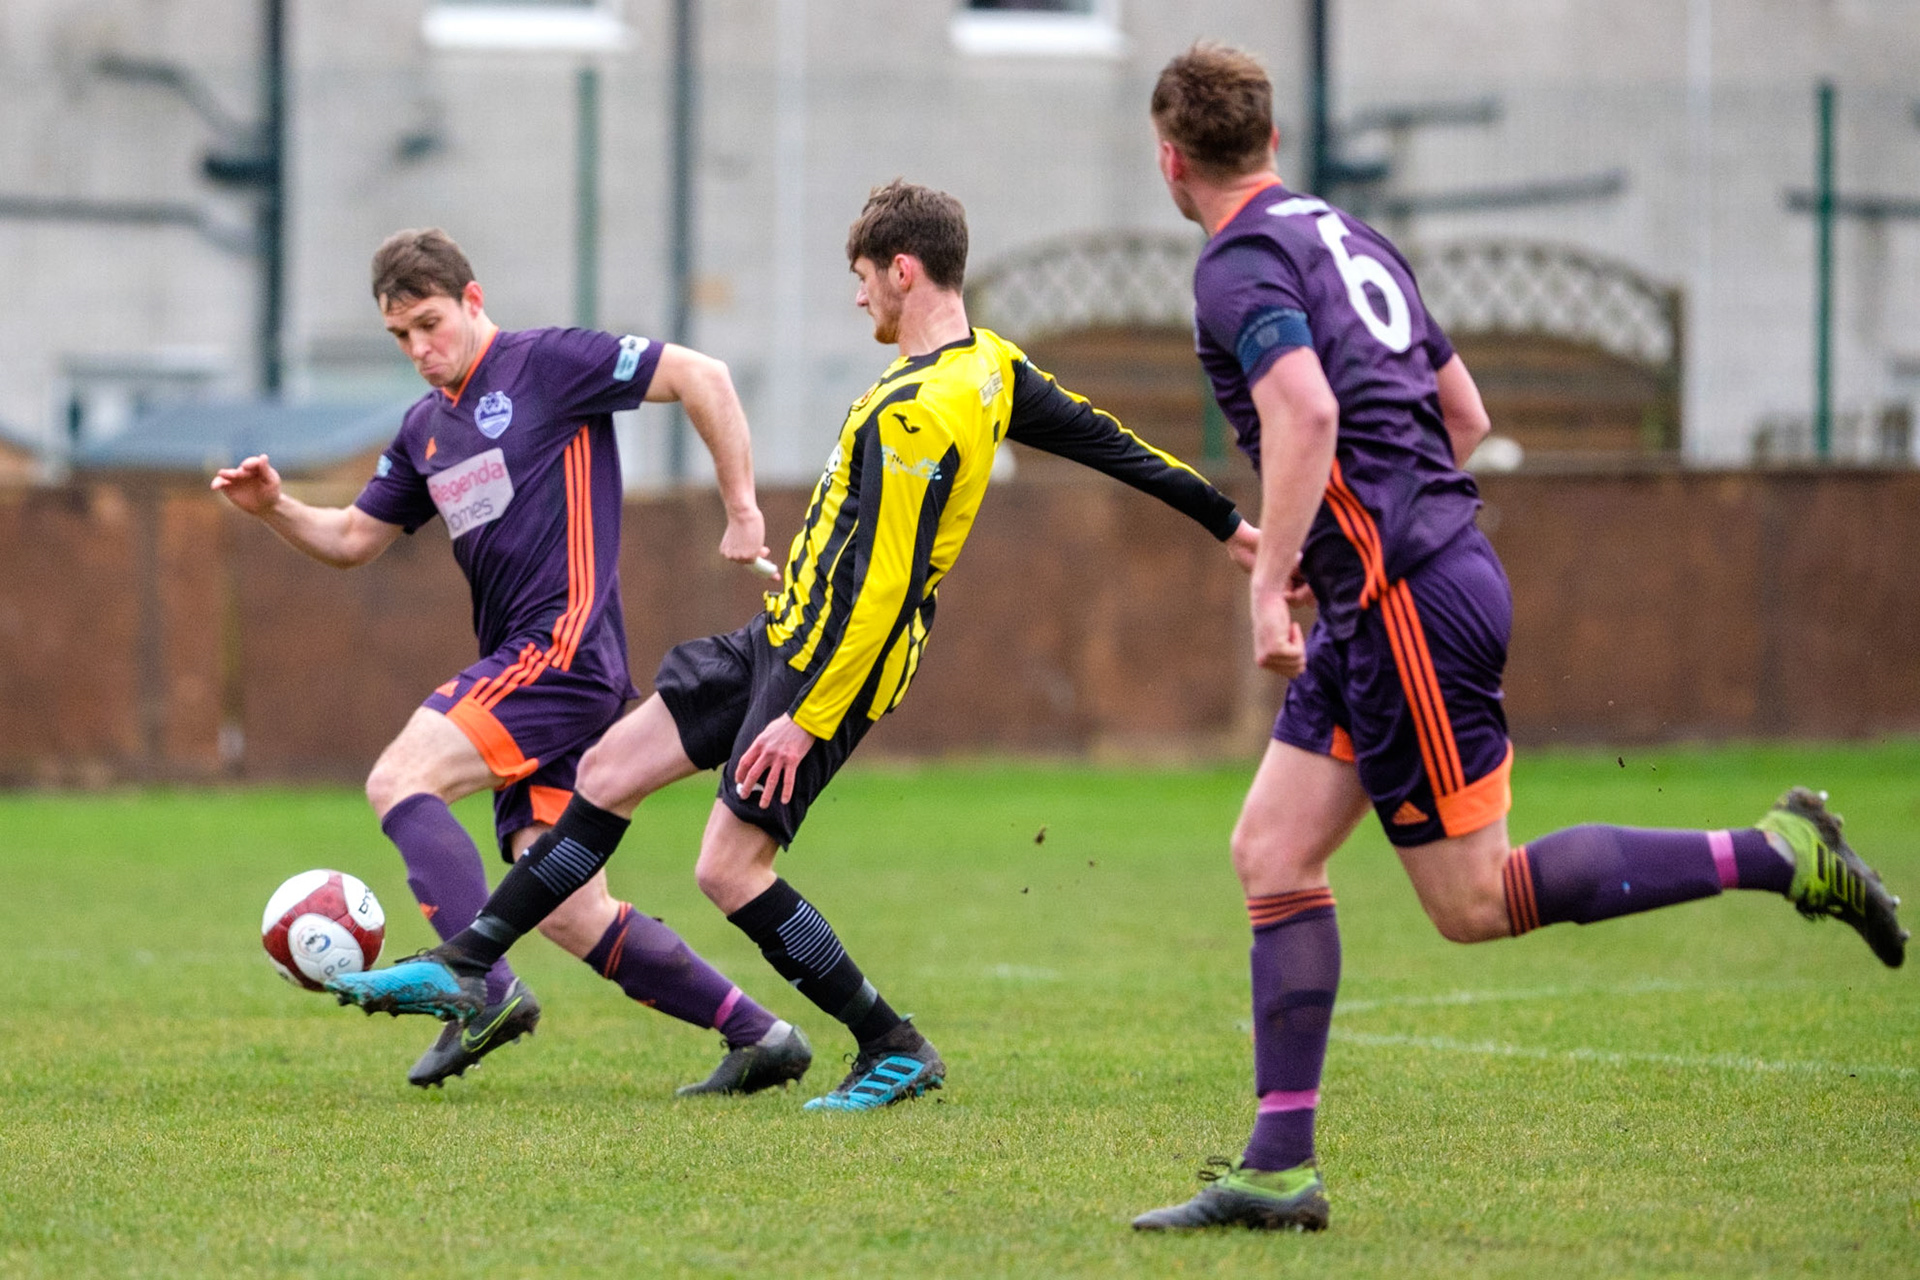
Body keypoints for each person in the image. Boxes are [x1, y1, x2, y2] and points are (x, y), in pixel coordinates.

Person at [1129, 43, 1908, 1232]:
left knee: (1474, 899)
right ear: (1274, 142)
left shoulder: (1237, 264)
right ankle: (1280, 1166)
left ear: (1171, 158)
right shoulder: (1352, 237)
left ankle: (1774, 852)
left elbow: (1308, 410)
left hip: (1401, 604)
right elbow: (1466, 411)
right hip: (1392, 593)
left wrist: (1277, 573)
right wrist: (1362, 552)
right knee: (1273, 851)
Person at [323, 181, 1262, 1111]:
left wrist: (805, 723)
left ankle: (893, 1044)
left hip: (827, 667)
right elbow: (1109, 441)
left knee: (728, 869)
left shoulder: (921, 409)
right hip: (781, 636)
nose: (858, 297)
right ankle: (467, 962)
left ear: (903, 271)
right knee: (607, 770)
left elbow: (887, 590)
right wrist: (1224, 520)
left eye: (862, 278)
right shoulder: (993, 369)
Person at [213, 228, 812, 1094]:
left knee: (398, 779)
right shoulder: (426, 429)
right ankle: (760, 1035)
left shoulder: (549, 364)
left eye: (430, 323)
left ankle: (478, 986)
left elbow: (703, 376)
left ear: (473, 300)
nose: (421, 349)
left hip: (560, 652)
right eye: (401, 337)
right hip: (539, 668)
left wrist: (744, 510)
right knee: (572, 911)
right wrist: (274, 508)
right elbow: (351, 539)